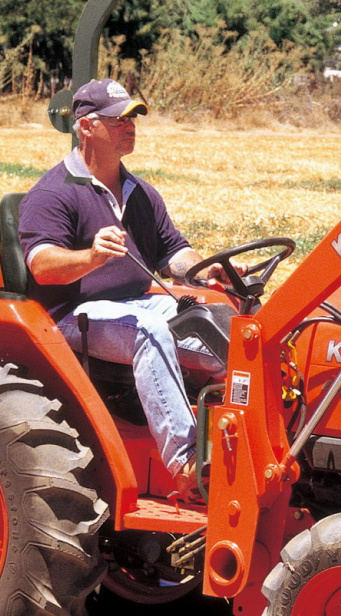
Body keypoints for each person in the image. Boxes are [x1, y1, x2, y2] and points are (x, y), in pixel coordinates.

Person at [17, 77, 223, 492]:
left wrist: (204, 271)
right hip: (73, 317)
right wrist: (91, 257)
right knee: (151, 331)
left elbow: (173, 253)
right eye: (118, 120)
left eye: (133, 119)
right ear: (86, 126)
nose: (130, 126)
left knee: (223, 326)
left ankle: (240, 439)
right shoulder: (53, 193)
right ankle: (187, 465)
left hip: (135, 302)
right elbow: (42, 266)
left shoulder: (141, 192)